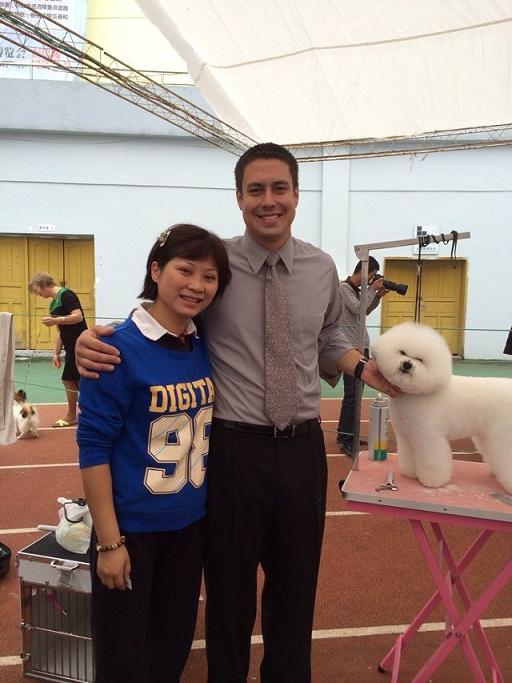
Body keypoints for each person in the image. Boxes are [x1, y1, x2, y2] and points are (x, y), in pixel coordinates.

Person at [76, 143, 399, 682]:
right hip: (231, 451)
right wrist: (90, 340)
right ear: (239, 198)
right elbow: (168, 313)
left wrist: (362, 366)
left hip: (301, 449)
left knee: (295, 592)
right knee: (228, 596)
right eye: (256, 190)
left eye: (279, 188)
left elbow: (327, 338)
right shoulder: (216, 267)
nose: (268, 200)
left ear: (296, 195)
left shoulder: (322, 268)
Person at [76, 224, 231, 683]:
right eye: (186, 270)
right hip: (132, 532)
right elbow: (93, 449)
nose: (197, 285)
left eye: (209, 276)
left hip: (189, 528)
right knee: (122, 661)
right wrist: (109, 543)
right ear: (157, 270)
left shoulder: (203, 342)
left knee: (170, 652)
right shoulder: (114, 348)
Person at [336, 257, 389, 455]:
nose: (373, 279)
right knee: (352, 395)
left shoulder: (357, 291)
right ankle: (347, 438)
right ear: (365, 272)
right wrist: (372, 290)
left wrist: (377, 296)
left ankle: (346, 433)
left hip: (360, 346)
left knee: (355, 394)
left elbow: (363, 312)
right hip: (351, 349)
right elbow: (358, 308)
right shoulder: (344, 288)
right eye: (372, 275)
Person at [28, 272, 87, 427]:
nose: (37, 294)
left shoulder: (66, 295)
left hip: (79, 343)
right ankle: (93, 411)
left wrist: (57, 320)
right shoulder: (53, 303)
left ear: (42, 284)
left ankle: (72, 415)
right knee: (78, 381)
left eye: (36, 290)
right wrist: (55, 353)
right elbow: (60, 331)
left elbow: (78, 317)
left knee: (68, 379)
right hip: (69, 346)